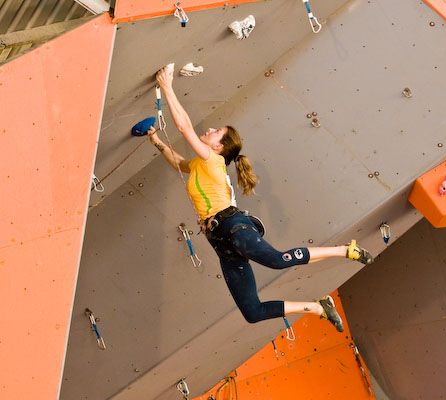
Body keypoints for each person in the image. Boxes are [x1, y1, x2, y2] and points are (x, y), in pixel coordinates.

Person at [134, 65, 374, 332]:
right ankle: (319, 307)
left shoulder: (212, 161)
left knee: (276, 260)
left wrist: (167, 86)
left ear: (218, 147)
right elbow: (178, 162)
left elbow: (184, 126)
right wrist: (155, 139)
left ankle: (345, 250)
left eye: (216, 132)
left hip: (232, 228)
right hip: (222, 239)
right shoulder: (203, 165)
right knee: (252, 312)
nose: (210, 128)